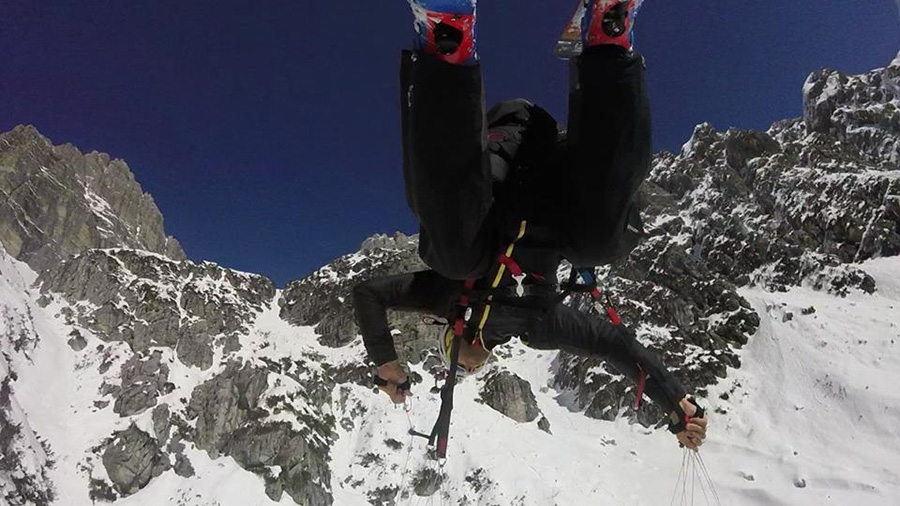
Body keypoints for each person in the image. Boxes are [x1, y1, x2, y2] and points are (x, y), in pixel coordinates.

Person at [353, 0, 707, 450]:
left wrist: (385, 362)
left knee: (454, 257)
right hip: (560, 183)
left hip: (501, 178)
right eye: (470, 372)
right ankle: (609, 38)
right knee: (596, 245)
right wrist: (675, 401)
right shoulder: (540, 327)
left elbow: (369, 293)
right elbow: (614, 344)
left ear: (449, 337)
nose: (471, 368)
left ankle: (447, 43)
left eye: (458, 366)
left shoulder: (448, 297)